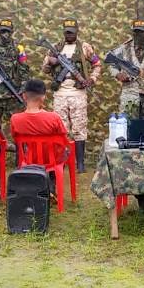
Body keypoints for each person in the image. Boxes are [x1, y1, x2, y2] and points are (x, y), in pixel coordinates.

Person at [41, 18, 102, 173]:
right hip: (60, 92)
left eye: (72, 33)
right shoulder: (55, 48)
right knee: (61, 128)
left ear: (77, 32)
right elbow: (45, 69)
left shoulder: (85, 47)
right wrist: (51, 61)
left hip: (78, 92)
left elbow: (97, 65)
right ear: (63, 32)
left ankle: (80, 163)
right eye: (67, 32)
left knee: (79, 127)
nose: (69, 35)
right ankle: (63, 161)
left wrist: (92, 79)